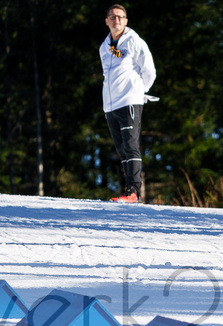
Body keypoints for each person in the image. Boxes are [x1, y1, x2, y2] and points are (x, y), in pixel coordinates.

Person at [99, 4, 156, 203]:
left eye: (120, 17)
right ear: (106, 21)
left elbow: (149, 69)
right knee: (121, 148)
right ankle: (128, 189)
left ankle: (133, 191)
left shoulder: (134, 41)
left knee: (131, 146)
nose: (117, 20)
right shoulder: (103, 47)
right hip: (111, 105)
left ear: (126, 21)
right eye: (113, 17)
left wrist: (139, 91)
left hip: (129, 101)